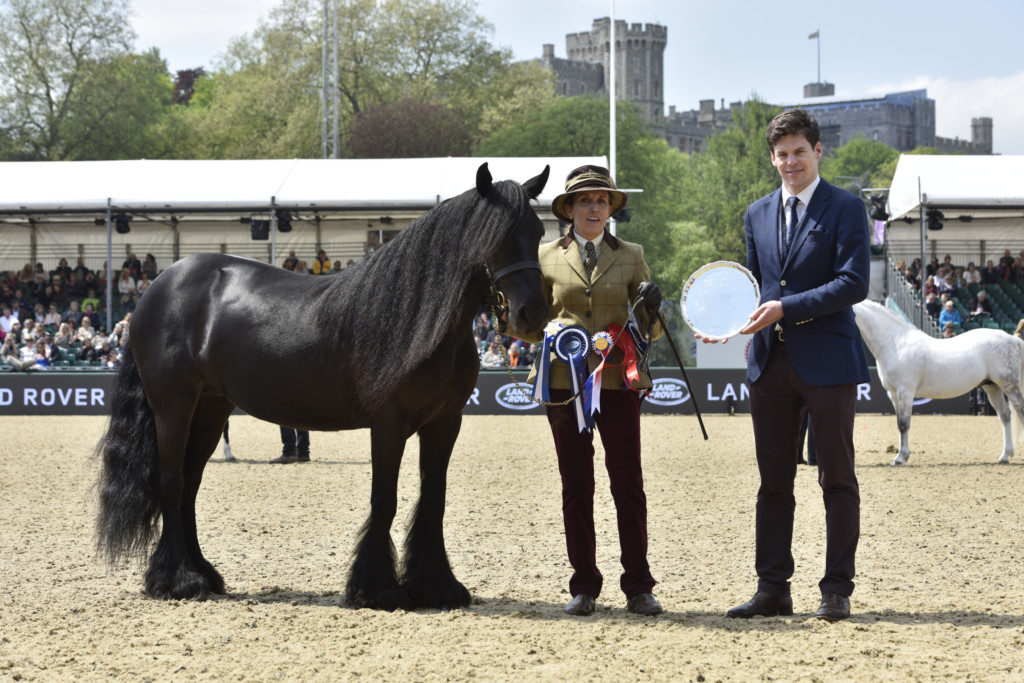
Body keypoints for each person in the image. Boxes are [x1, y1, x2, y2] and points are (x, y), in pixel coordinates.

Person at [705, 109, 869, 622]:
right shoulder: (756, 214)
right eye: (782, 154)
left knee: (836, 479)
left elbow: (853, 283)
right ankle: (772, 588)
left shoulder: (846, 207)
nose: (791, 161)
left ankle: (836, 590)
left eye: (800, 151)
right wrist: (725, 321)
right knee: (773, 482)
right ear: (772, 158)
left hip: (828, 361)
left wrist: (786, 309)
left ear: (818, 151)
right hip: (770, 364)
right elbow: (756, 288)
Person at [515, 164, 664, 617]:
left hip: (619, 383)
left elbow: (652, 330)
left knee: (628, 484)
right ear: (570, 209)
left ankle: (639, 585)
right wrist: (528, 319)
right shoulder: (543, 257)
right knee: (576, 486)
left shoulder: (633, 254)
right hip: (563, 384)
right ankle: (583, 585)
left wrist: (654, 308)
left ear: (610, 208)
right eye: (585, 201)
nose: (594, 207)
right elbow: (526, 327)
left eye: (601, 200)